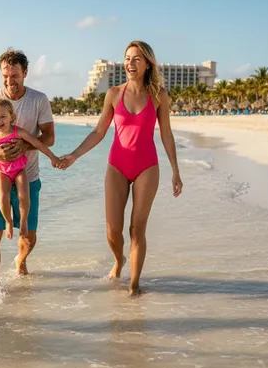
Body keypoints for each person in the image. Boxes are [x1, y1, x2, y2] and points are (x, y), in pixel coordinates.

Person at [58, 41, 183, 297]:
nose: (130, 63)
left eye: (137, 58)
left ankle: (134, 285)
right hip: (117, 165)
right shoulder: (114, 94)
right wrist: (74, 155)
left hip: (147, 166)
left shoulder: (159, 95)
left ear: (148, 63)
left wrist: (175, 171)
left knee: (137, 228)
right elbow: (98, 132)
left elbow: (167, 135)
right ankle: (119, 261)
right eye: (127, 58)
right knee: (113, 230)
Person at [0, 48, 55, 286]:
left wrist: (24, 147)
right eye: (5, 76)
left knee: (29, 236)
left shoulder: (38, 100)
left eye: (15, 75)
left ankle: (21, 258)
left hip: (28, 175)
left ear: (25, 73)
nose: (10, 81)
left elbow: (49, 137)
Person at [0, 98, 62, 240]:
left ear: (11, 117)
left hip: (19, 170)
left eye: (3, 116)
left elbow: (38, 144)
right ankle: (8, 221)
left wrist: (54, 158)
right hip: (2, 172)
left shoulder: (18, 132)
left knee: (24, 195)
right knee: (3, 197)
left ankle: (23, 221)